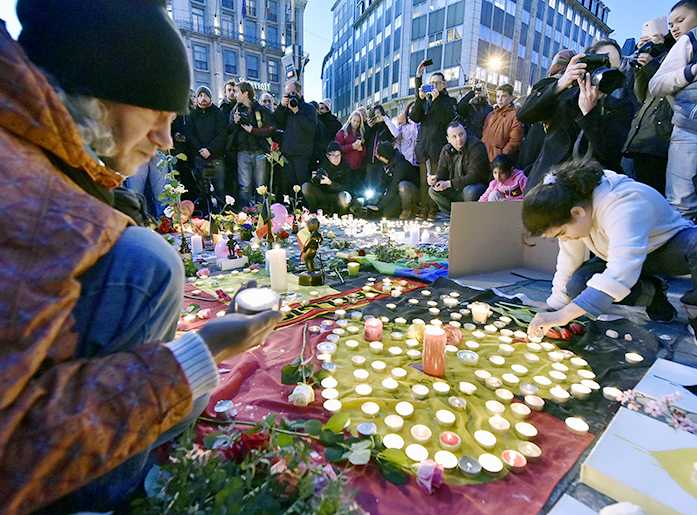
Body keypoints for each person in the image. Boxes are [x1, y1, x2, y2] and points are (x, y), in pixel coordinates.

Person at [0, 2, 281, 514]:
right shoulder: (28, 201)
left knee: (144, 264)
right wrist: (195, 355)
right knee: (148, 266)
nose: (166, 139)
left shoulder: (37, 154)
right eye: (157, 114)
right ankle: (98, 497)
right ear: (100, 97)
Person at [524, 160, 696, 340]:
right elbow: (569, 262)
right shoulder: (574, 208)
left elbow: (621, 271)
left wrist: (564, 315)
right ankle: (653, 295)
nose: (564, 239)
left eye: (562, 233)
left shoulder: (622, 203)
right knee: (578, 285)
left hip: (668, 250)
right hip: (619, 258)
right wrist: (556, 307)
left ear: (577, 213)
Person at [518, 42, 634, 192]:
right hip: (548, 184)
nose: (606, 73)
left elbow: (610, 154)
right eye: (603, 64)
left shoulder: (622, 102)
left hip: (588, 191)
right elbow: (525, 114)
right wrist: (562, 83)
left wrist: (589, 114)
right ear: (588, 64)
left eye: (613, 68)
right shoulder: (565, 88)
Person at [649, 0, 697, 219]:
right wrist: (690, 72)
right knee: (681, 206)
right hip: (688, 131)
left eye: (680, 20)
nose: (675, 27)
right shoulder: (690, 40)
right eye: (671, 24)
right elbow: (655, 85)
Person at [622, 21, 674, 195]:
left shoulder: (676, 55)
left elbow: (670, 89)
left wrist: (654, 60)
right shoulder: (647, 58)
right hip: (636, 141)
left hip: (659, 145)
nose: (676, 27)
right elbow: (639, 95)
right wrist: (641, 68)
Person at [410, 61, 458, 220]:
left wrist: (437, 100)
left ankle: (432, 209)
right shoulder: (426, 101)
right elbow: (415, 117)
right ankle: (423, 208)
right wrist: (420, 98)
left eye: (437, 83)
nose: (434, 86)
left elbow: (447, 119)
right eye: (431, 83)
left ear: (444, 85)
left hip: (439, 147)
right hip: (423, 147)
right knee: (424, 181)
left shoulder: (448, 102)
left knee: (435, 179)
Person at [229, 81, 276, 207]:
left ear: (245, 93)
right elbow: (229, 131)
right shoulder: (235, 110)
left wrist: (253, 130)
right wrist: (235, 122)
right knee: (244, 186)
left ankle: (261, 214)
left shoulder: (260, 109)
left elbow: (271, 129)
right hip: (242, 152)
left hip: (259, 151)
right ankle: (245, 215)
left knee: (261, 186)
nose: (234, 94)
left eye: (237, 91)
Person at [428, 121, 491, 213]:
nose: (459, 139)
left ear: (466, 133)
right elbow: (442, 173)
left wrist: (449, 184)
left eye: (461, 134)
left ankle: (470, 215)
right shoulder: (446, 150)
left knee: (470, 191)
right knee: (433, 190)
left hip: (475, 186)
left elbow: (474, 176)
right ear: (448, 139)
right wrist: (435, 179)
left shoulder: (476, 146)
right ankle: (453, 215)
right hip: (455, 187)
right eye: (454, 136)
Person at [274, 80, 318, 192]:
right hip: (287, 154)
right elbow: (277, 122)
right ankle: (289, 207)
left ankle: (304, 208)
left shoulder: (309, 108)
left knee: (302, 184)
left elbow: (311, 129)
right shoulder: (285, 109)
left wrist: (297, 112)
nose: (290, 96)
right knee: (288, 185)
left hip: (302, 155)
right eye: (287, 93)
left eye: (292, 93)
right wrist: (281, 107)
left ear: (299, 92)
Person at [189, 85, 227, 211]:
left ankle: (220, 214)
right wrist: (201, 149)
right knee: (204, 188)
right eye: (200, 95)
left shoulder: (218, 113)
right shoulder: (193, 115)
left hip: (215, 157)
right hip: (201, 158)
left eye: (205, 95)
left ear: (210, 98)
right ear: (196, 99)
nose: (203, 98)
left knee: (219, 188)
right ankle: (207, 213)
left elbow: (222, 135)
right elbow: (191, 135)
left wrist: (210, 149)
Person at [365, 142, 419, 219]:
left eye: (379, 156)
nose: (378, 157)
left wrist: (380, 206)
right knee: (387, 213)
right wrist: (375, 199)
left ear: (384, 156)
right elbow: (383, 183)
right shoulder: (386, 165)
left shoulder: (401, 165)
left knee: (403, 186)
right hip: (396, 192)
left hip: (411, 192)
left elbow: (394, 186)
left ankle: (408, 209)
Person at [302, 142, 354, 214]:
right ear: (327, 156)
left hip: (337, 196)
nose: (336, 158)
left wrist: (330, 183)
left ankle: (342, 215)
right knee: (306, 186)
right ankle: (313, 212)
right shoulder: (322, 165)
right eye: (333, 155)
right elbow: (313, 183)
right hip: (323, 194)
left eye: (338, 155)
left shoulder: (345, 166)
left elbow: (348, 187)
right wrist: (314, 180)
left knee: (344, 196)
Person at [481, 84, 524, 162]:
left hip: (498, 161)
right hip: (483, 157)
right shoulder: (491, 114)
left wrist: (501, 156)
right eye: (498, 96)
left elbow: (514, 141)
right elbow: (484, 135)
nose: (500, 99)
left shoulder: (515, 116)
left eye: (503, 96)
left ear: (511, 98)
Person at [363, 104, 395, 191]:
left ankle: (379, 201)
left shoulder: (387, 126)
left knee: (380, 182)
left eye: (379, 113)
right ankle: (369, 201)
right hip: (370, 160)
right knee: (369, 182)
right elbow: (364, 139)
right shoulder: (370, 126)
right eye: (375, 113)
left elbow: (393, 135)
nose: (377, 115)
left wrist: (385, 121)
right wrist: (369, 127)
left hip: (382, 160)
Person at [384, 101, 420, 170]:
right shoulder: (402, 124)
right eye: (412, 109)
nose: (414, 111)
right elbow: (395, 133)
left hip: (418, 162)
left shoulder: (421, 124)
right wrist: (385, 118)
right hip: (404, 160)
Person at [335, 109, 367, 174]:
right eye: (354, 120)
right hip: (345, 168)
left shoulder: (361, 134)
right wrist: (351, 146)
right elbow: (337, 149)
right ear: (350, 120)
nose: (356, 123)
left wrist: (362, 149)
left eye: (358, 122)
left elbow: (364, 153)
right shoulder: (342, 132)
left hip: (358, 168)